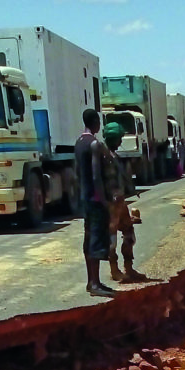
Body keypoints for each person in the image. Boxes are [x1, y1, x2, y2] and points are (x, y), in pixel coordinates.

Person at [75, 108, 114, 297]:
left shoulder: (79, 143)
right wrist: (104, 201)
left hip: (84, 198)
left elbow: (78, 172)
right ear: (95, 122)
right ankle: (95, 283)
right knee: (97, 240)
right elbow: (96, 176)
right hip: (95, 199)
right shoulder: (94, 144)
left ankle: (91, 281)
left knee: (88, 238)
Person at [102, 122, 146, 284]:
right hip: (111, 203)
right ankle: (115, 270)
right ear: (112, 138)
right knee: (111, 239)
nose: (121, 141)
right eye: (119, 138)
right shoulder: (104, 157)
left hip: (120, 201)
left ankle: (129, 267)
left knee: (129, 234)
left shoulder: (114, 156)